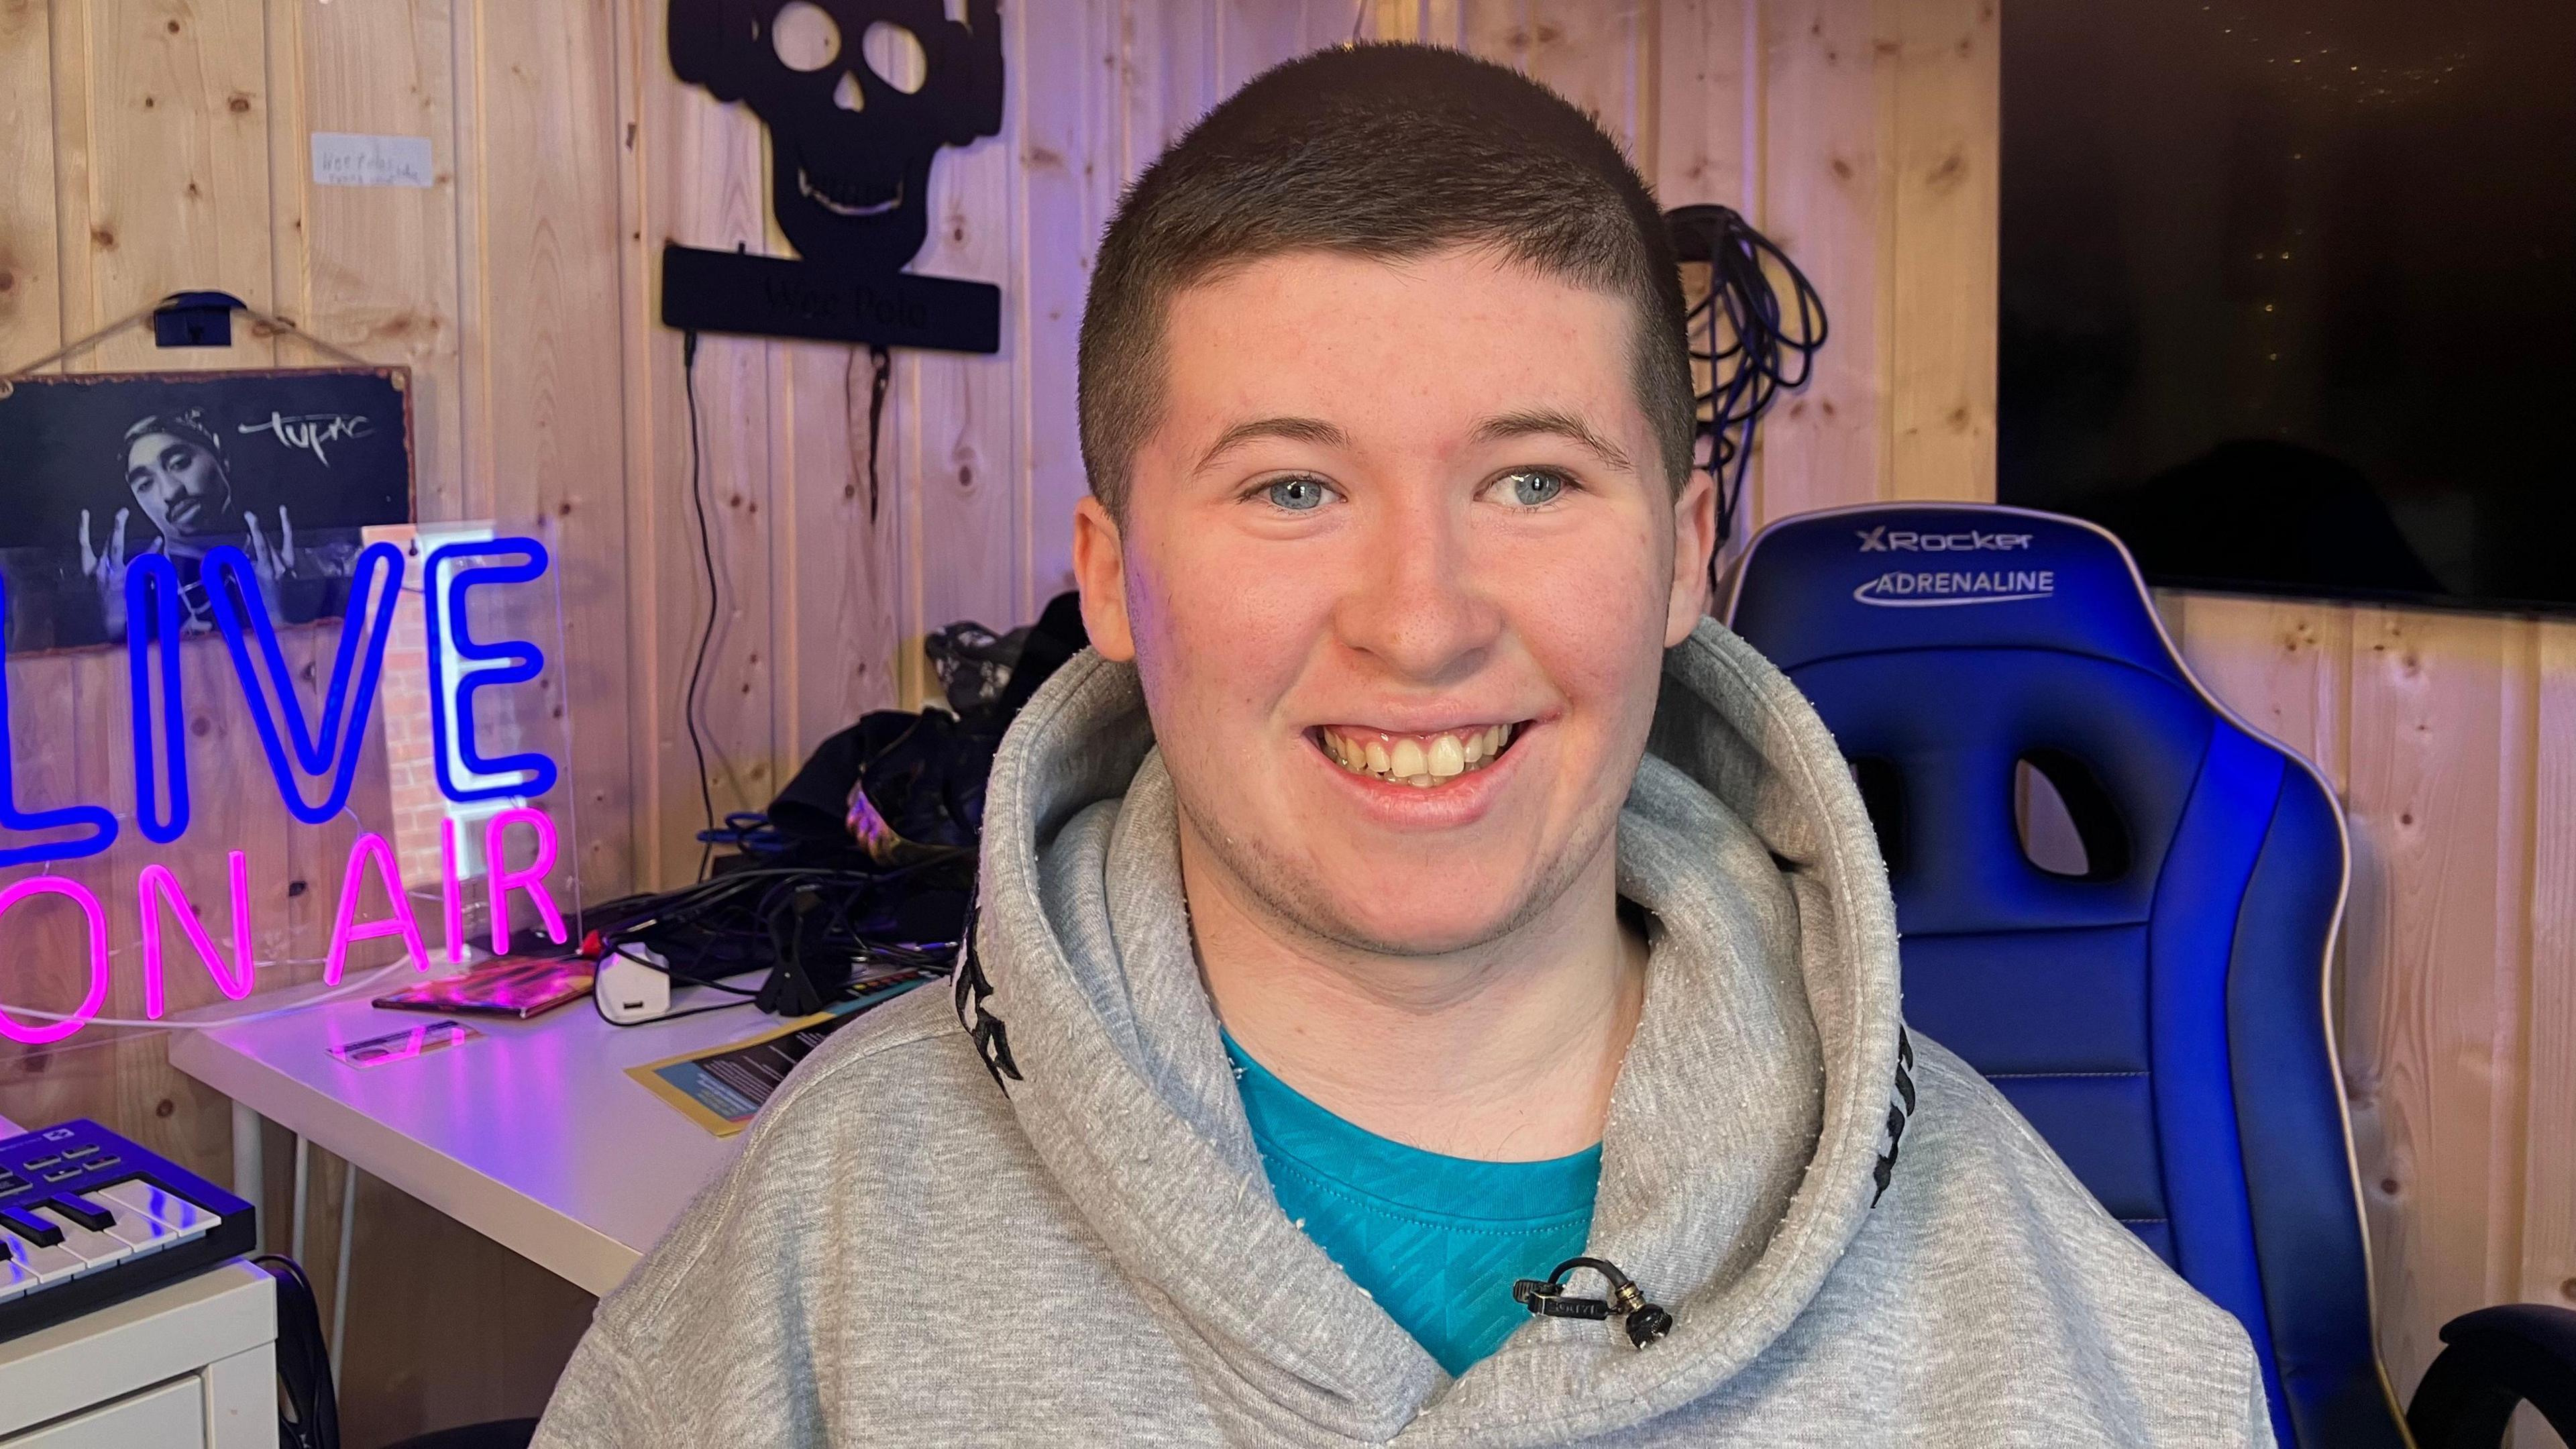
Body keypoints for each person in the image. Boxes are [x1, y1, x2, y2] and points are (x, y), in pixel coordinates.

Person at [535, 44, 2271, 1446]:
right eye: (1293, 485)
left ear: (1679, 553)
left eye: (1529, 479)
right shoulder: (822, 1246)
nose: (1420, 619)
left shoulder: (2080, 1339)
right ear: (1117, 579)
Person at [78, 411, 354, 641]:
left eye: (179, 463)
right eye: (145, 484)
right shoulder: (135, 593)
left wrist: (276, 614)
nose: (171, 492)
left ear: (222, 457)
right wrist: (113, 622)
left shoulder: (317, 566)